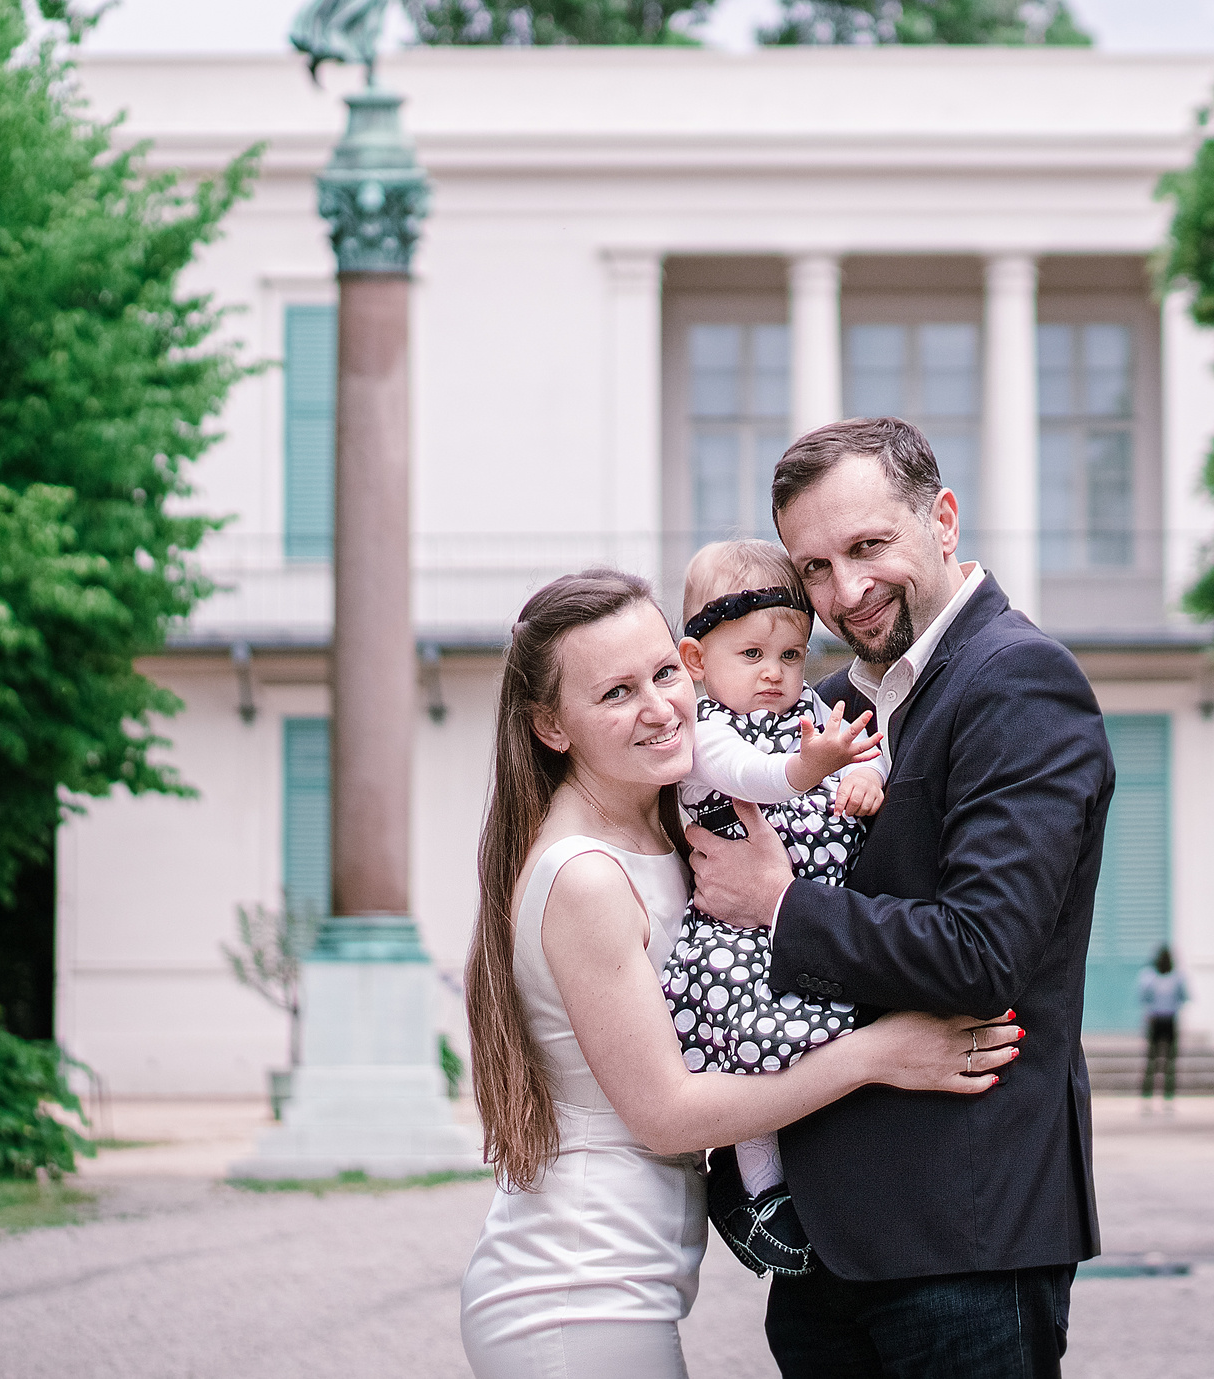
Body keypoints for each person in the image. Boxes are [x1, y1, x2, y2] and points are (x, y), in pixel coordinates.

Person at [457, 569, 1023, 1379]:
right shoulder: (582, 874)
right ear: (551, 724)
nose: (659, 706)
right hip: (574, 1294)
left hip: (622, 1285)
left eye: (664, 673)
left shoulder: (670, 824)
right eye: (616, 692)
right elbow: (667, 1112)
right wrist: (876, 1054)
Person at [687, 417, 1116, 1379]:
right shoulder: (822, 703)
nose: (847, 591)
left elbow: (984, 950)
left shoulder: (1020, 680)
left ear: (944, 520)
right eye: (817, 569)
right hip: (823, 1250)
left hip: (963, 1235)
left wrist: (781, 905)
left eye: (870, 546)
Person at [659, 539, 886, 1278]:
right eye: (751, 653)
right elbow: (749, 775)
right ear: (697, 661)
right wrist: (811, 767)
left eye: (790, 655)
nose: (774, 673)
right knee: (751, 1055)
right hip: (734, 939)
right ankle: (757, 1190)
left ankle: (805, 1185)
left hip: (806, 917)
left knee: (814, 1050)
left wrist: (864, 776)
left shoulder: (811, 708)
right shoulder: (706, 731)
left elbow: (865, 748)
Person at [1136, 947, 1188, 1109]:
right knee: (1152, 1060)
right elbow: (1143, 997)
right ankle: (1147, 1096)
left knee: (1169, 1061)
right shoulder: (1149, 976)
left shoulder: (1177, 977)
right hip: (1156, 1021)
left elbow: (1183, 996)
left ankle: (1168, 1097)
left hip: (1168, 1020)